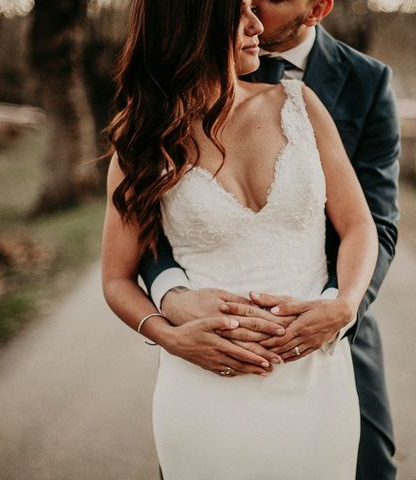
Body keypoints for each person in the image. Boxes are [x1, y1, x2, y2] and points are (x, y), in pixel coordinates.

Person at [102, 0, 380, 478]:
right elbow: (116, 279)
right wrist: (170, 337)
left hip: (317, 381)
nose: (257, 24)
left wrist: (344, 303)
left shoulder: (299, 105)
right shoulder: (142, 140)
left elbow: (359, 226)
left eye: (255, 8)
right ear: (194, 24)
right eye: (241, 12)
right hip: (206, 383)